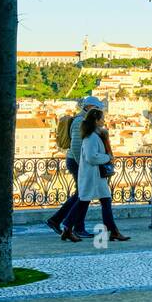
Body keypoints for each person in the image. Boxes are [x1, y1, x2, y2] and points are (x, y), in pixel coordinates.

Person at [61, 108, 131, 243]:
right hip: (91, 176)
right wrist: (107, 157)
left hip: (95, 176)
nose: (104, 121)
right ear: (96, 120)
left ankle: (112, 231)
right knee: (84, 201)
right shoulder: (91, 137)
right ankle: (67, 228)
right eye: (102, 118)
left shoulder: (93, 135)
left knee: (100, 201)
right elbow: (91, 157)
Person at [46, 96, 103, 237]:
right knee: (83, 195)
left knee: (81, 194)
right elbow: (77, 146)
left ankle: (58, 220)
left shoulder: (85, 120)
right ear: (88, 107)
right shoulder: (80, 121)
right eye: (97, 108)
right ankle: (76, 226)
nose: (99, 111)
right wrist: (83, 166)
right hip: (76, 162)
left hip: (76, 161)